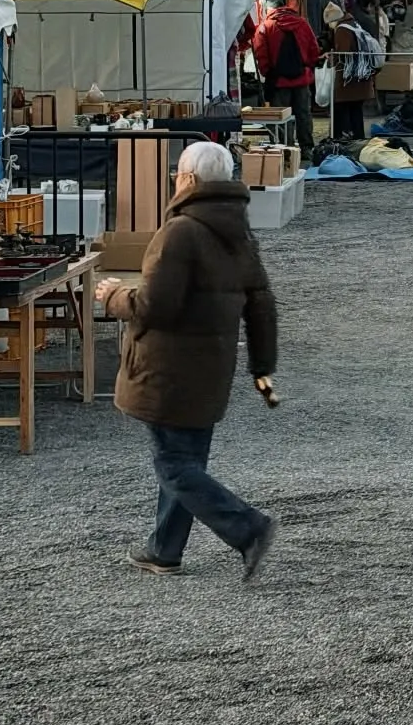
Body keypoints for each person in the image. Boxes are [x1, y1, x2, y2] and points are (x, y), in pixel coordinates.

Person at [96, 140, 279, 580]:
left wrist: (113, 296)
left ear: (189, 179)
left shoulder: (179, 232)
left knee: (174, 464)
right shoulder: (238, 231)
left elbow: (154, 307)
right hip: (212, 365)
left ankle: (248, 528)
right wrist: (262, 366)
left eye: (177, 173)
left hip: (167, 368)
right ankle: (165, 550)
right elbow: (261, 304)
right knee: (187, 459)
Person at [251, 0, 320, 158]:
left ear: (269, 9)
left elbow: (261, 52)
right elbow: (314, 48)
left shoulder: (266, 26)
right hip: (301, 79)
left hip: (279, 81)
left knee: (281, 116)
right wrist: (308, 68)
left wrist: (267, 73)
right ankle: (306, 148)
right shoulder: (302, 23)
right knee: (303, 114)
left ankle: (285, 150)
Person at [323, 1, 382, 140]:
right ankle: (358, 138)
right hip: (361, 77)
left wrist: (331, 57)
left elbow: (343, 54)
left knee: (340, 109)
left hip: (349, 80)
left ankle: (338, 138)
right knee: (355, 111)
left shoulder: (342, 30)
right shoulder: (353, 24)